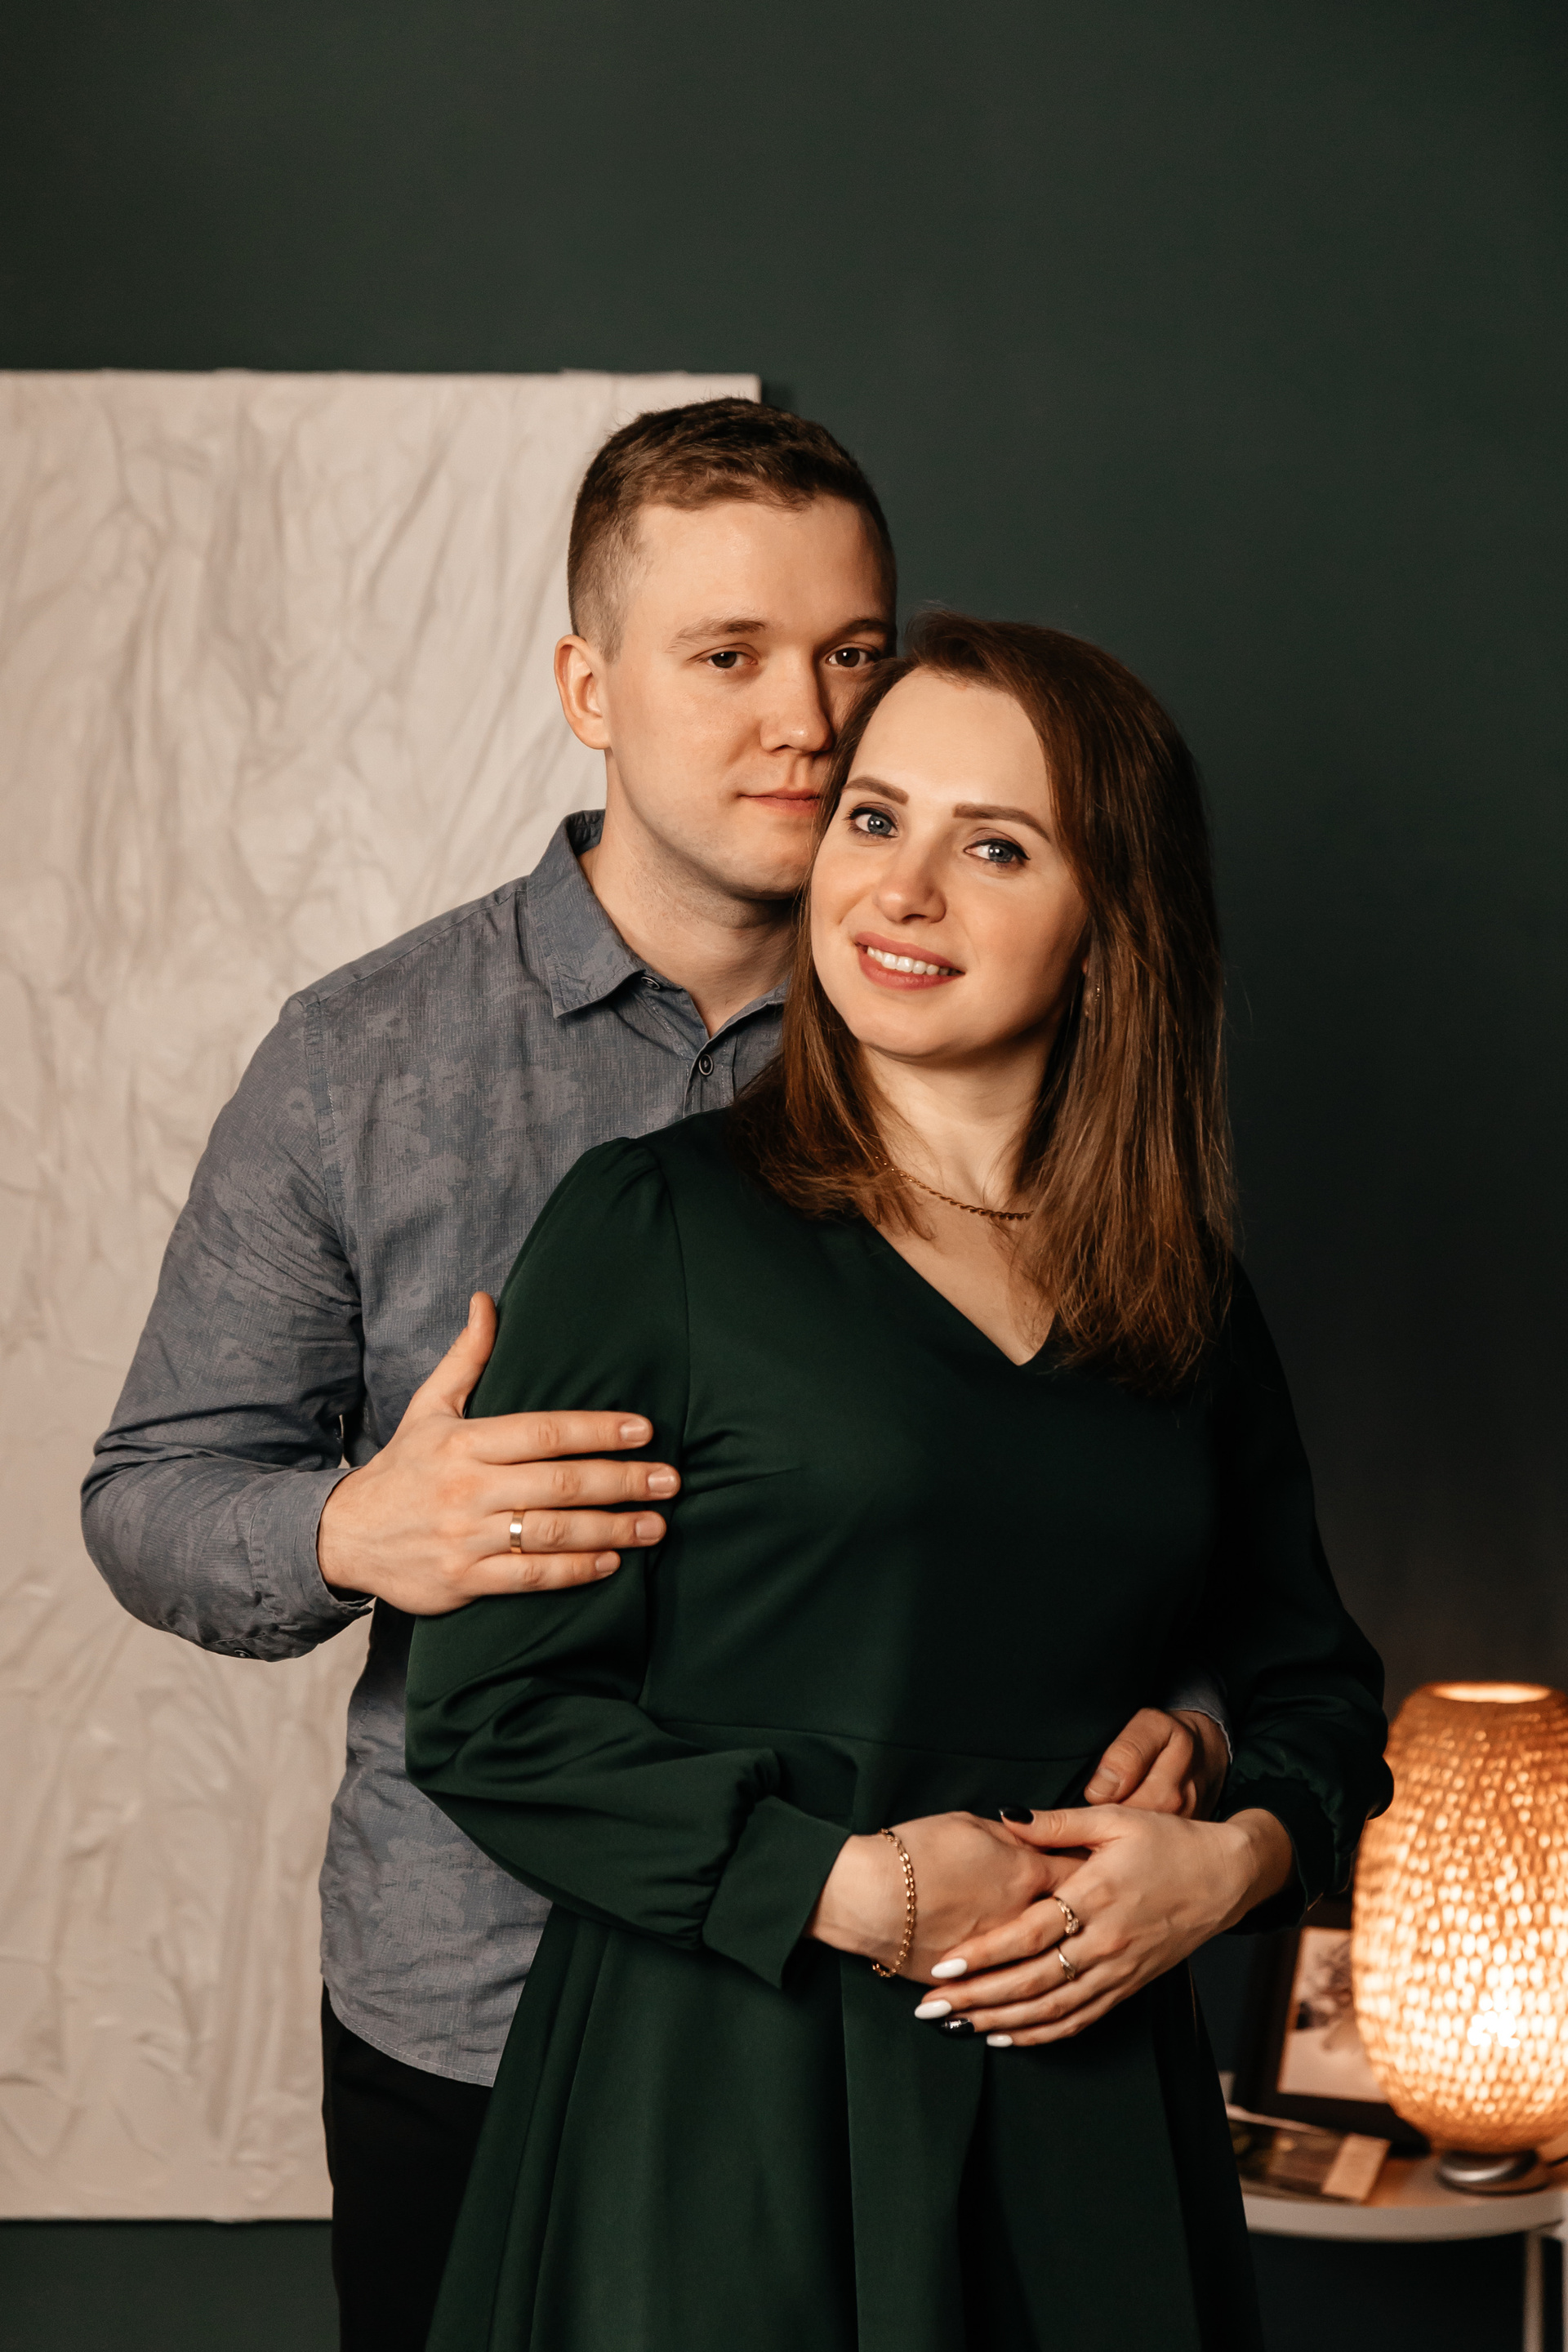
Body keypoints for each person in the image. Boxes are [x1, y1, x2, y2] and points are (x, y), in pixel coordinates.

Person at [80, 403, 1227, 2352]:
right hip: (478, 1993)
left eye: (850, 652)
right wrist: (355, 1531)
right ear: (588, 691)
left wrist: (1186, 1736)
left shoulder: (973, 1024)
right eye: (729, 657)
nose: (811, 720)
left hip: (898, 2019)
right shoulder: (362, 1064)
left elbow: (1119, 1493)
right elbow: (150, 1496)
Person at [404, 611, 1392, 2352]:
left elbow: (1315, 1682)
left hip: (1085, 2113)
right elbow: (493, 1720)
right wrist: (846, 1888)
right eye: (874, 818)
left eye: (994, 847)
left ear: (1111, 926)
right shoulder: (658, 1229)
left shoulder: (1177, 1296)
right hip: (721, 2101)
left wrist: (1228, 1865)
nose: (903, 890)